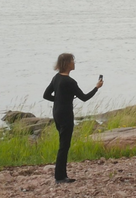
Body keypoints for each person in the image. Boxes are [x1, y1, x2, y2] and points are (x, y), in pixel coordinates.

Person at [43, 53, 103, 184]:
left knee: (63, 144)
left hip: (57, 113)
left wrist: (59, 100)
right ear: (67, 64)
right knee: (64, 146)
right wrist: (96, 87)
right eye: (72, 61)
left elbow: (46, 95)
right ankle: (60, 177)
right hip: (66, 115)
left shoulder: (56, 78)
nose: (74, 63)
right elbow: (84, 98)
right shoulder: (70, 82)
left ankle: (62, 175)